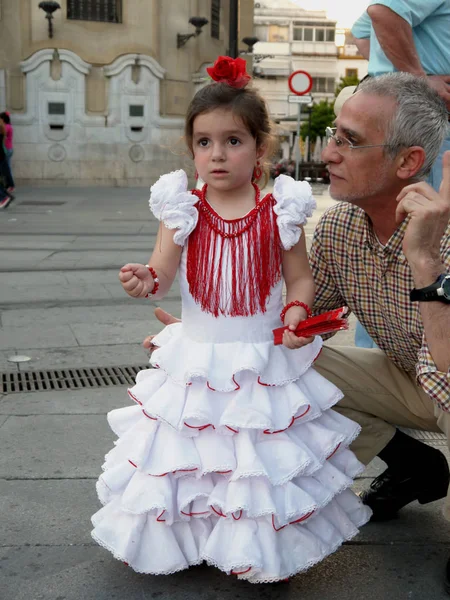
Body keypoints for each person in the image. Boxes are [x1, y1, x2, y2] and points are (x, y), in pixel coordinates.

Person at [146, 71, 450, 591]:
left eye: (349, 141)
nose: (329, 153)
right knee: (282, 368)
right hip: (409, 380)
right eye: (334, 135)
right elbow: (303, 324)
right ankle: (412, 465)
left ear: (408, 163)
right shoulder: (337, 229)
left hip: (446, 374)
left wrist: (425, 260)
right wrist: (210, 348)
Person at [90, 56, 371, 582]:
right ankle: (191, 540)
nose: (217, 154)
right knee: (189, 455)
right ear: (191, 148)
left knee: (251, 461)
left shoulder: (279, 209)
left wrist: (294, 311)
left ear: (260, 148)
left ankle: (252, 549)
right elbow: (161, 271)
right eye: (204, 142)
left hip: (260, 358)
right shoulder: (182, 208)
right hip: (197, 357)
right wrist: (143, 280)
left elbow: (300, 278)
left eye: (233, 141)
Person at [350, 0, 450, 348]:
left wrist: (394, 77)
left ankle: (387, 351)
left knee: (394, 242)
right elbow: (382, 13)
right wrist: (419, 81)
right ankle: (416, 357)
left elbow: (363, 32)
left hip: (403, 121)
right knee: (424, 242)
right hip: (421, 123)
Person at [0, 115, 14, 209]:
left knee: (6, 171)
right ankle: (6, 196)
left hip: (2, 154)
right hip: (2, 155)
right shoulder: (3, 129)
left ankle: (3, 198)